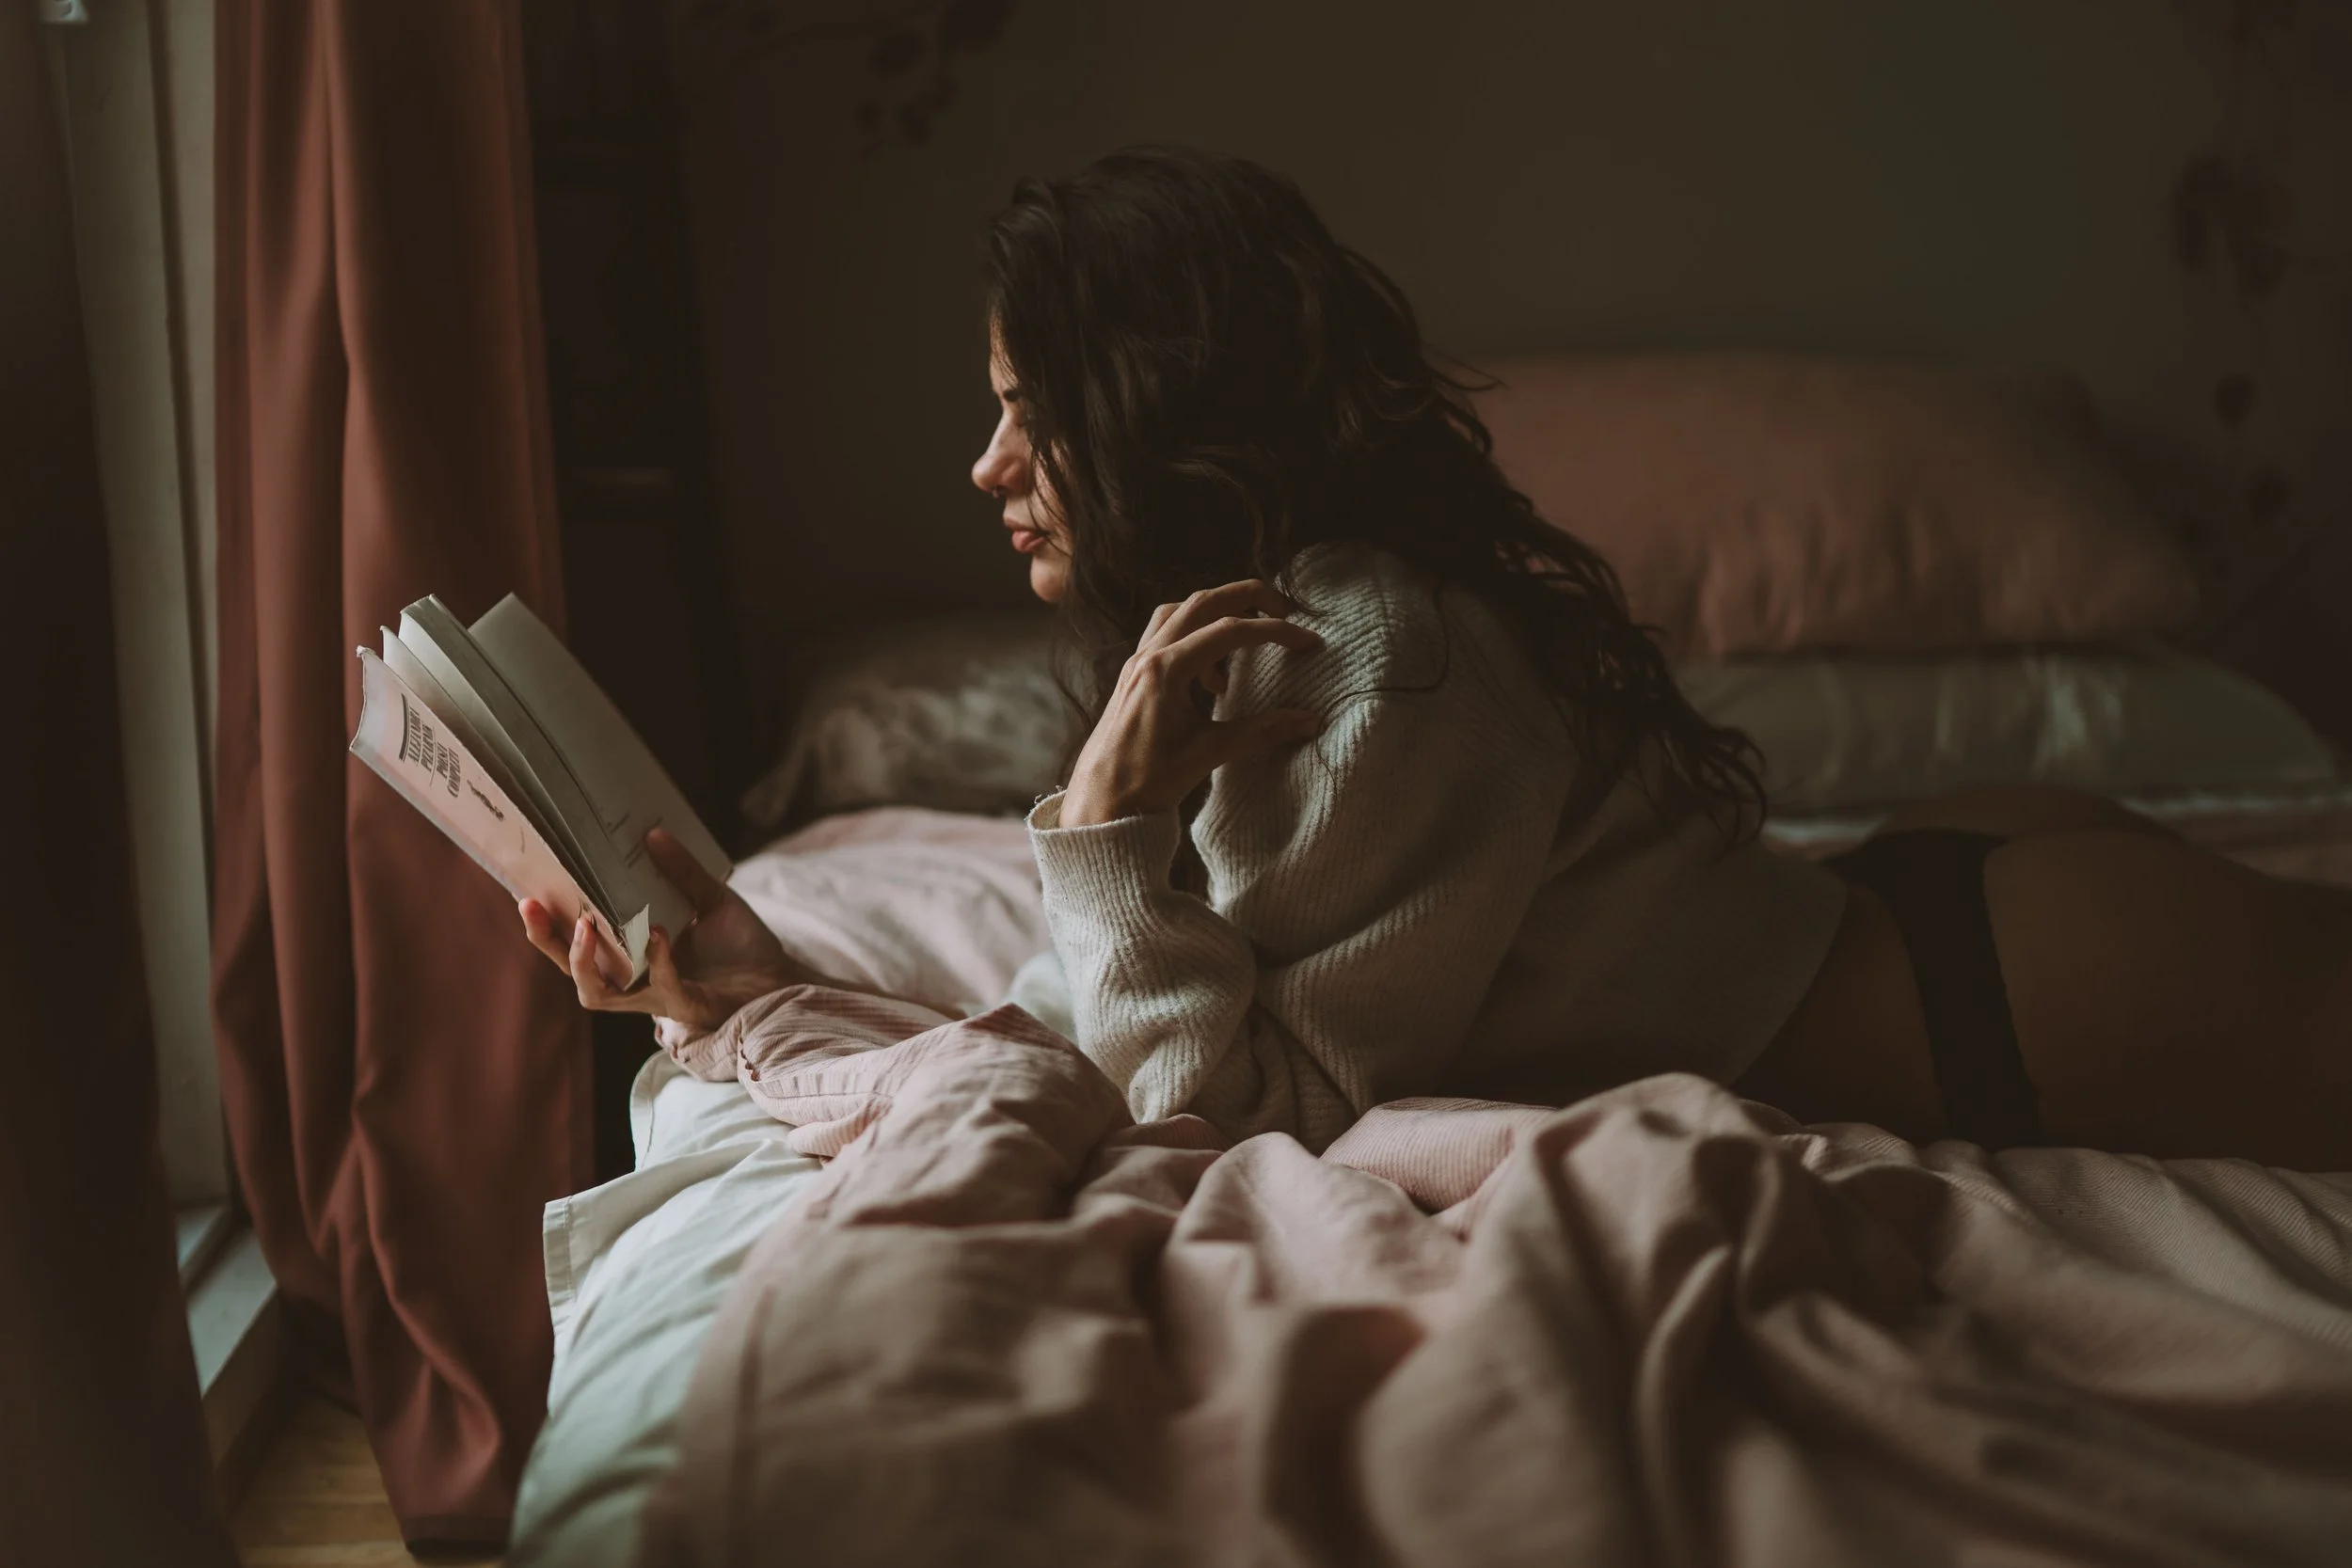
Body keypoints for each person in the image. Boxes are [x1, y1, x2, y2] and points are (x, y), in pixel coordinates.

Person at [522, 147, 2352, 1170]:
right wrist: (757, 995)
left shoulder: (1377, 660)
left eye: (1024, 413)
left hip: (1999, 1001)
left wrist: (1092, 825)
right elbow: (1123, 1016)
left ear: (1143, 412)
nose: (984, 466)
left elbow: (1236, 1116)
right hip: (1933, 912)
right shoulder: (1263, 637)